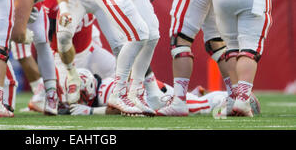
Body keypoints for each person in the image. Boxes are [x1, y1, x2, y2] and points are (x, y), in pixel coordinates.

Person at [67, 68, 261, 117]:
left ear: (89, 87)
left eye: (81, 93)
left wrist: (92, 112)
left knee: (198, 108)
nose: (81, 99)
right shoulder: (103, 87)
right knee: (193, 102)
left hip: (156, 96)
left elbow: (121, 107)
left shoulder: (103, 91)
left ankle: (236, 99)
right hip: (152, 93)